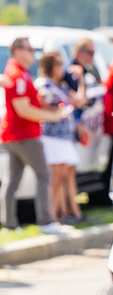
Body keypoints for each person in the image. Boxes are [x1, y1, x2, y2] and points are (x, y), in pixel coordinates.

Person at [0, 38, 71, 233]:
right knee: (44, 175)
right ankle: (46, 221)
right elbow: (23, 109)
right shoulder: (16, 75)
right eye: (29, 49)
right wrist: (52, 116)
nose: (33, 54)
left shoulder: (21, 73)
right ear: (17, 50)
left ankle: (9, 224)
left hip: (15, 133)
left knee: (12, 179)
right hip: (24, 134)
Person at [35, 52, 81, 223]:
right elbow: (42, 105)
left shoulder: (60, 85)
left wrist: (80, 79)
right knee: (55, 177)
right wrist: (57, 110)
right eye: (59, 64)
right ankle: (52, 216)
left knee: (64, 174)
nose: (62, 68)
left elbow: (79, 100)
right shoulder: (43, 84)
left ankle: (64, 213)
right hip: (51, 135)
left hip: (64, 136)